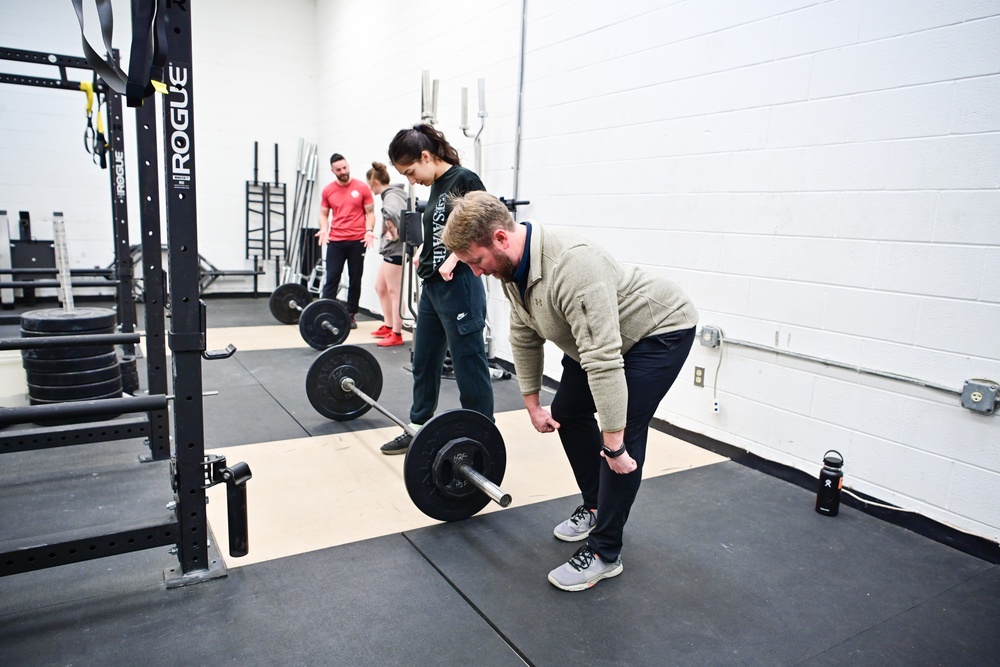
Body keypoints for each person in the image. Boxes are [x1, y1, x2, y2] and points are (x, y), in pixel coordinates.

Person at [442, 191, 699, 592]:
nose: (477, 272)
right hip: (600, 340)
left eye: (476, 261)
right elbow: (524, 334)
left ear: (500, 238)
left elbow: (603, 358)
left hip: (656, 331)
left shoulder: (572, 265)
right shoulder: (512, 270)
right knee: (568, 413)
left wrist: (613, 443)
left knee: (624, 433)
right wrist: (531, 402)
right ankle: (596, 505)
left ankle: (604, 552)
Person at [379, 124, 494, 455]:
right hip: (431, 288)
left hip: (459, 287)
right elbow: (446, 226)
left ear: (426, 156)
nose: (412, 179)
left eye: (411, 171)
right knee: (424, 361)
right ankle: (417, 426)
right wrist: (425, 250)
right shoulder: (436, 186)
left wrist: (456, 256)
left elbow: (488, 223)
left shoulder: (464, 179)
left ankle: (479, 436)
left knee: (468, 365)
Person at [316, 153, 375, 328]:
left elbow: (370, 213)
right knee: (332, 278)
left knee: (355, 279)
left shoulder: (362, 188)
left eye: (345, 167)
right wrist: (323, 229)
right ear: (332, 170)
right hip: (336, 241)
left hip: (357, 241)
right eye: (339, 169)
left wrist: (369, 230)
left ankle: (350, 314)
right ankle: (324, 313)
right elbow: (324, 214)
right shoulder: (328, 190)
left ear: (348, 166)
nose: (343, 171)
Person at [366, 161, 406, 347]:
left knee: (393, 291)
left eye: (369, 184)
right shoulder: (391, 194)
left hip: (395, 250)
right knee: (380, 287)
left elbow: (393, 214)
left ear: (374, 182)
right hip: (391, 250)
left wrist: (392, 234)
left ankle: (397, 333)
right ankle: (389, 325)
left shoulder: (391, 196)